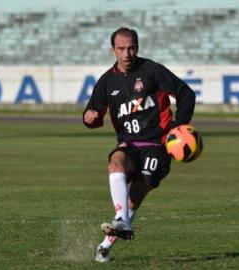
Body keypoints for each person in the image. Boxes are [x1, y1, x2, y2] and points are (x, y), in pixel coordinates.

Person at [83, 27, 196, 263]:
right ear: (112, 50)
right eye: (122, 49)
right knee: (116, 162)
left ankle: (104, 248)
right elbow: (93, 112)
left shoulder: (152, 70)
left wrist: (176, 127)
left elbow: (186, 94)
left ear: (138, 47)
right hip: (129, 145)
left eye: (131, 48)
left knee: (132, 200)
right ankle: (119, 221)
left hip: (158, 146)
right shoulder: (106, 81)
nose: (127, 54)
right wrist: (89, 117)